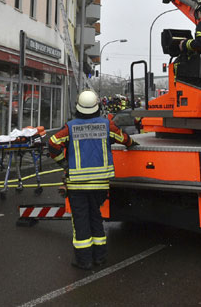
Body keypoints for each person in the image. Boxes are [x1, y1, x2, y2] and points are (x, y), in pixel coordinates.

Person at [48, 90, 137, 270]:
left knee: (81, 221)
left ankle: (84, 260)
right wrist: (132, 144)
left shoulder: (71, 127)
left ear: (78, 108)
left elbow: (52, 143)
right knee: (96, 217)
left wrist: (64, 164)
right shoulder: (106, 125)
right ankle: (100, 258)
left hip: (77, 185)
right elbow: (124, 139)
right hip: (100, 185)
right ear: (97, 107)